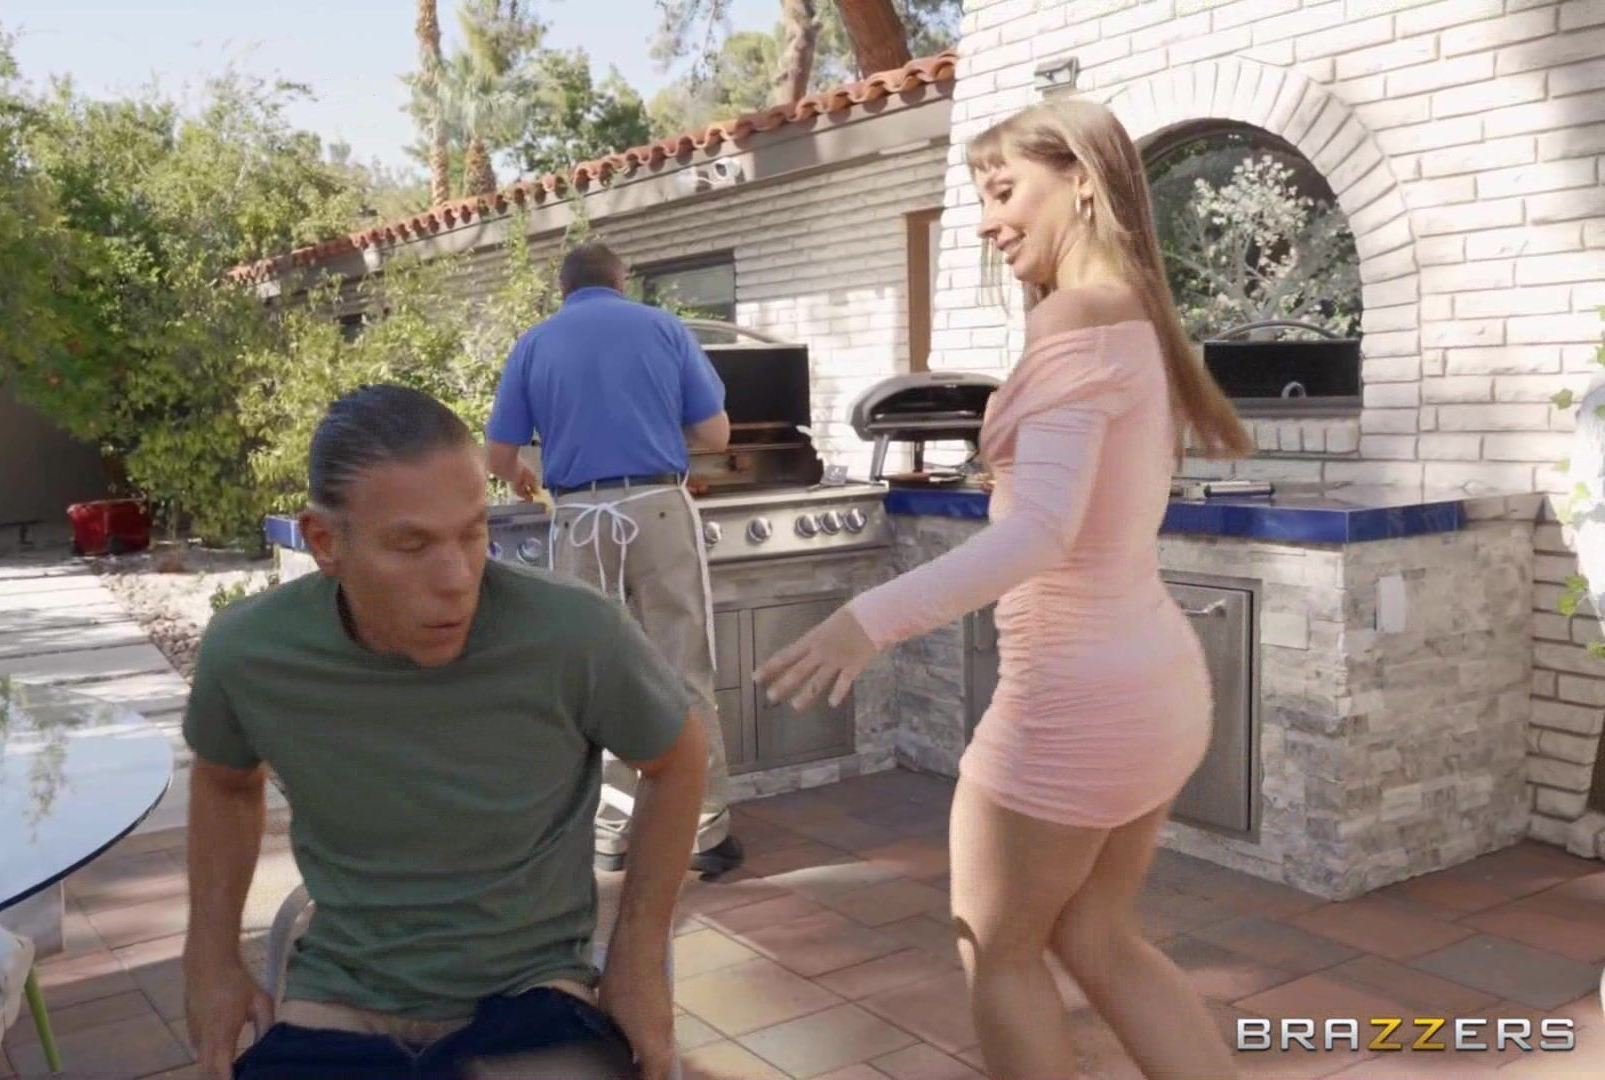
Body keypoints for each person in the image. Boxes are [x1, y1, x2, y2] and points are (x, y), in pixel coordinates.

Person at [754, 98, 1249, 1080]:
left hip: (1075, 704)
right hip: (1154, 687)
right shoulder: (1138, 322)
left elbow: (1039, 532)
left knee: (1000, 950)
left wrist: (866, 620)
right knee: (1098, 935)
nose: (987, 222)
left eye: (1003, 191)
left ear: (1081, 183)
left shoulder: (1075, 318)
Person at [180, 384, 707, 1080]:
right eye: (412, 545)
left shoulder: (573, 634)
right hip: (342, 995)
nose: (458, 578)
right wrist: (211, 958)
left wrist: (636, 957)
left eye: (473, 532)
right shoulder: (251, 652)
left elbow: (678, 759)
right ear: (324, 542)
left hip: (531, 993)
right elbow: (224, 782)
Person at [484, 242, 743, 879]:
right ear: (621, 282)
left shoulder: (534, 343)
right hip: (659, 509)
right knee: (682, 667)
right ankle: (704, 831)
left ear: (563, 289)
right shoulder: (665, 329)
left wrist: (521, 474)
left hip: (578, 520)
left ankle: (608, 833)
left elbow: (497, 456)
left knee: (592, 673)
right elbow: (717, 435)